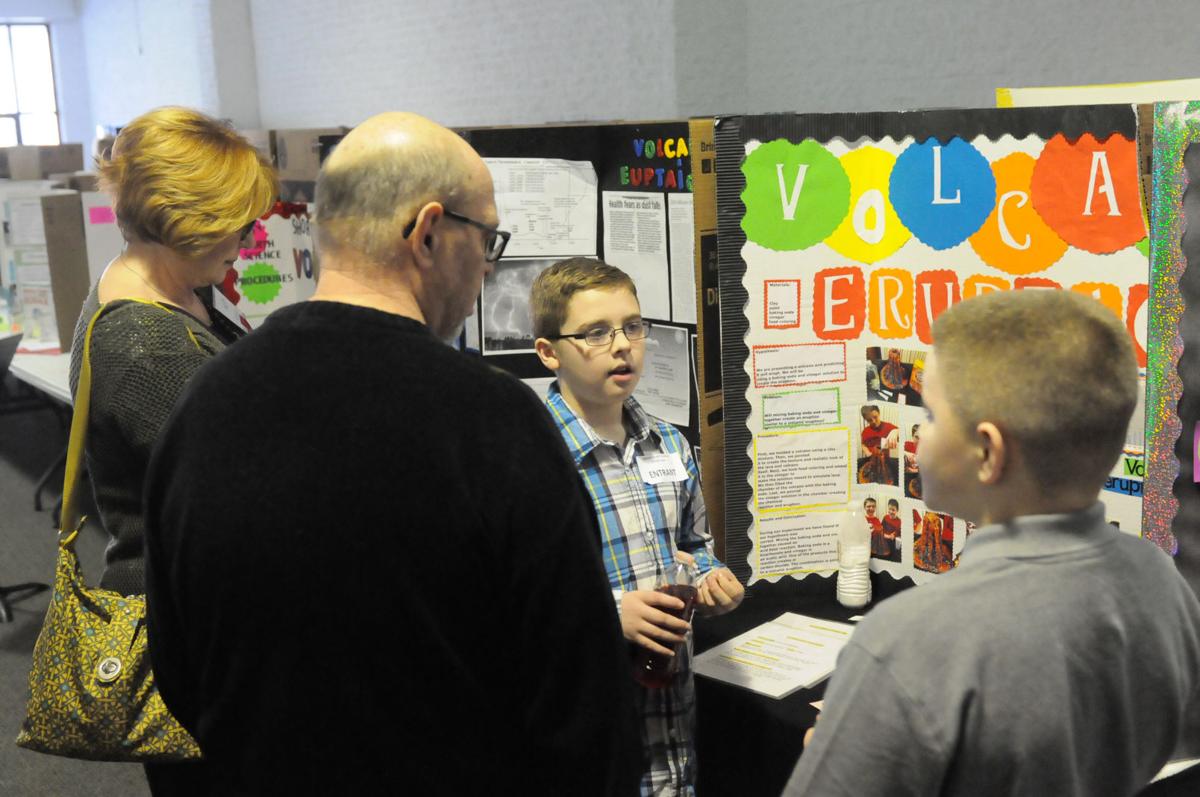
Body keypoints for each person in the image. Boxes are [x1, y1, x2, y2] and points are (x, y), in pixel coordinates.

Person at [142, 114, 641, 795]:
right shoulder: (495, 422)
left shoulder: (204, 402)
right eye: (487, 238)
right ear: (429, 232)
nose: (489, 265)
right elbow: (584, 704)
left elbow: (176, 668)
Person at [784, 290, 1200, 796]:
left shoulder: (908, 640)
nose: (917, 438)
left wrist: (848, 758)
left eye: (931, 416)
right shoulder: (1159, 580)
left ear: (987, 452)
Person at [531, 257, 744, 796]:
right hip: (590, 747)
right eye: (596, 333)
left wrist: (712, 580)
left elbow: (695, 546)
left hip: (675, 730)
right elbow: (510, 609)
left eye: (632, 326)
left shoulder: (670, 444)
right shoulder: (532, 458)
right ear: (549, 352)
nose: (623, 345)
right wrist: (609, 613)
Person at [68, 106, 276, 597]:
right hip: (185, 605)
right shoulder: (148, 346)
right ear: (188, 218)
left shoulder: (168, 287)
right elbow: (246, 496)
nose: (247, 241)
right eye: (239, 224)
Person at [859, 404, 898, 485]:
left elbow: (898, 430)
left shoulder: (887, 426)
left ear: (879, 413)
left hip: (885, 461)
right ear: (865, 420)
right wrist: (868, 453)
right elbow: (863, 444)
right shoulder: (865, 431)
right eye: (869, 420)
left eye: (875, 417)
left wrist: (895, 432)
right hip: (871, 460)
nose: (873, 421)